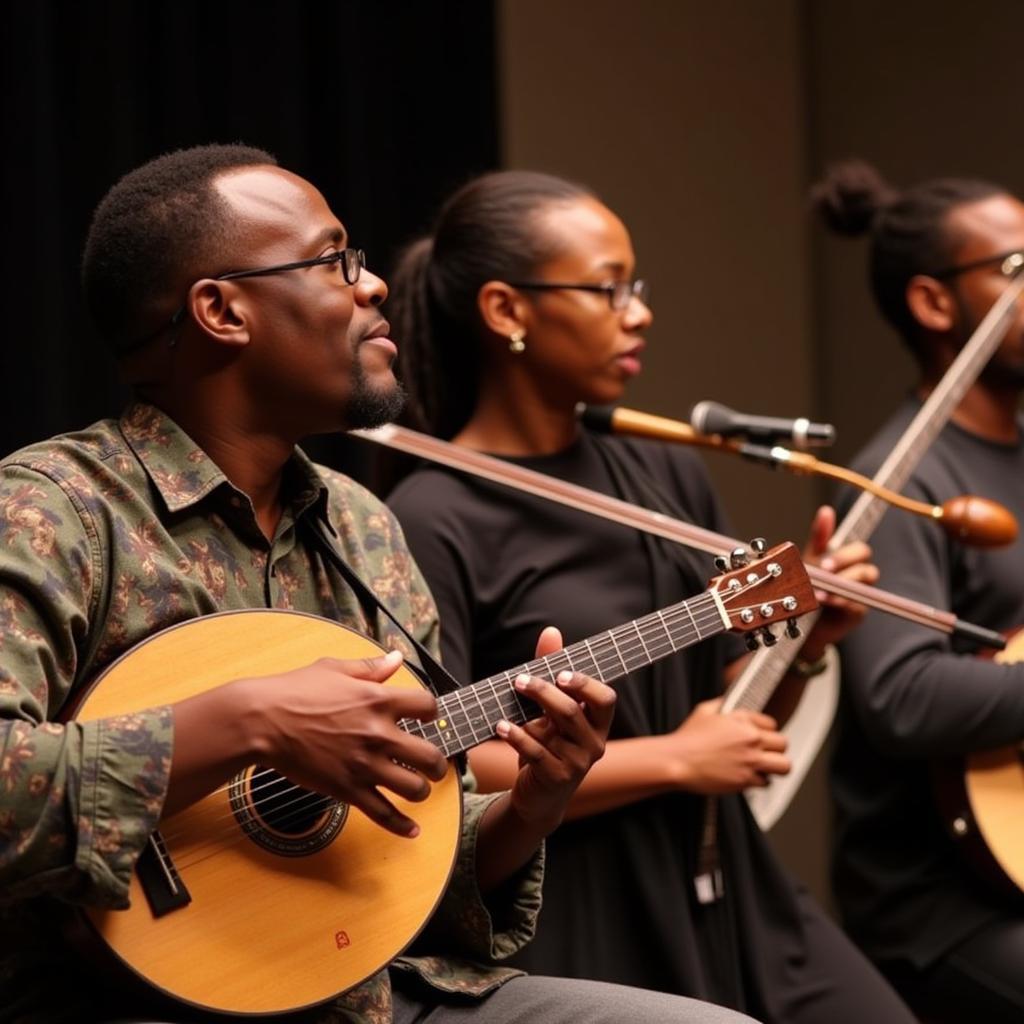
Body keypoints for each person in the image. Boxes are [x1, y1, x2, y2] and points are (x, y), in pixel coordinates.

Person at [0, 145, 758, 1024]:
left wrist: (532, 805)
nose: (372, 288)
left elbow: (413, 855)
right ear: (220, 311)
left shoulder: (361, 527)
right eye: (333, 261)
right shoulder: (54, 511)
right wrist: (247, 722)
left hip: (362, 995)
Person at [385, 169, 915, 1023]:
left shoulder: (662, 472)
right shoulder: (429, 514)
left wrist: (804, 645)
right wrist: (675, 759)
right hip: (573, 891)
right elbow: (441, 759)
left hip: (721, 870)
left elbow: (735, 710)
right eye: (607, 289)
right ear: (505, 311)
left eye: (636, 287)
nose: (639, 312)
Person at [814, 160, 1024, 1022]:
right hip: (941, 897)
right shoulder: (898, 482)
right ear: (937, 304)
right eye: (1016, 269)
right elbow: (903, 697)